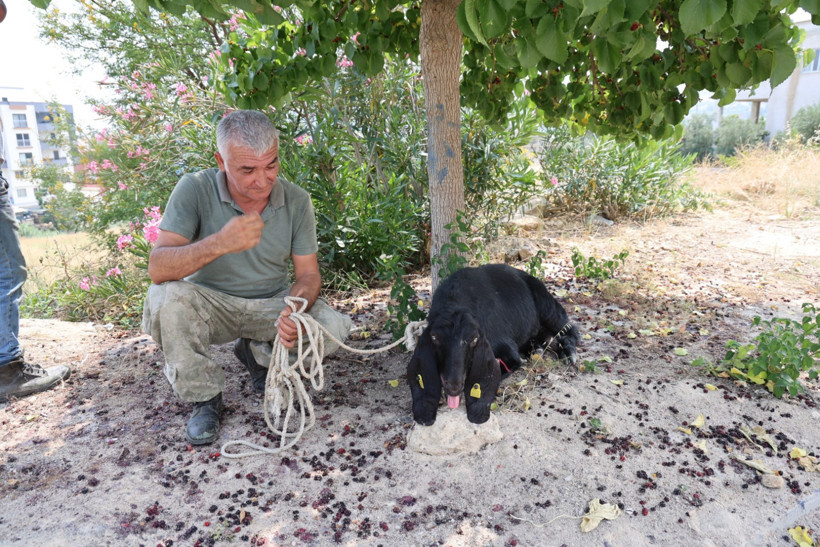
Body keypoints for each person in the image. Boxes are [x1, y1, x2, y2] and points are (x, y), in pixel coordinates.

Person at [142, 110, 351, 446]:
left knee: (331, 325)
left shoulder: (296, 200)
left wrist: (295, 309)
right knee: (166, 299)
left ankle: (260, 358)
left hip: (272, 304)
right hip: (211, 307)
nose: (262, 180)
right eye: (247, 169)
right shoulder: (194, 188)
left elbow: (309, 275)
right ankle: (205, 398)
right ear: (221, 162)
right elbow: (159, 268)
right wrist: (219, 243)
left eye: (271, 165)